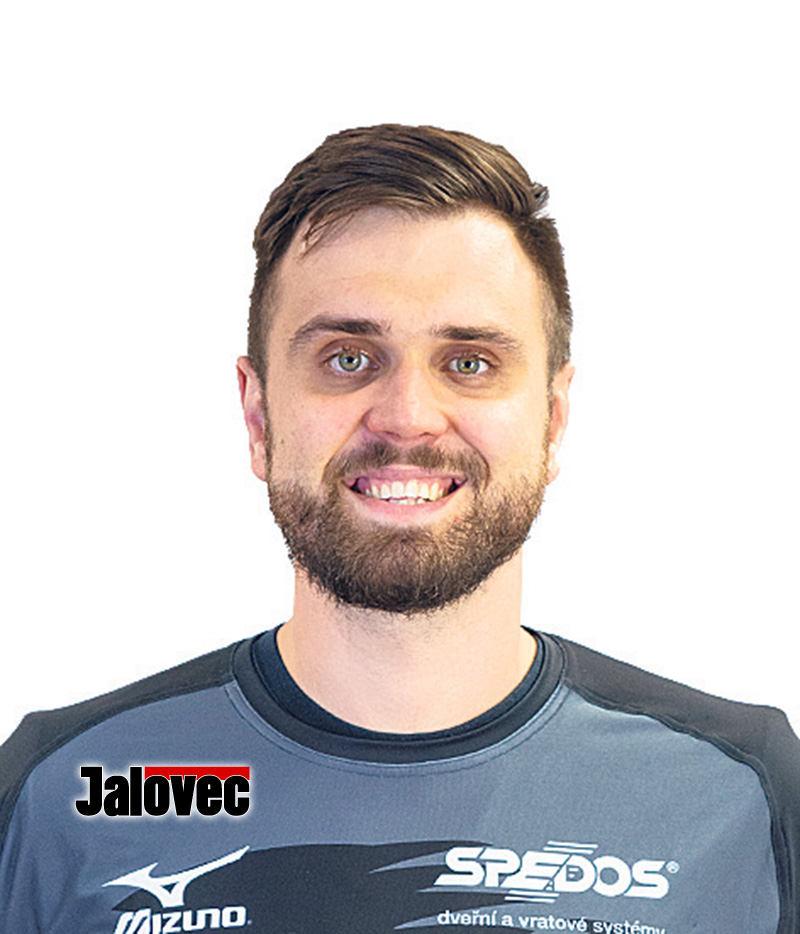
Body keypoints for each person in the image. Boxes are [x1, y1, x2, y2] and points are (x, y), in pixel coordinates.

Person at [0, 124, 797, 933]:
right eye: (348, 358)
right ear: (258, 416)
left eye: (470, 362)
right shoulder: (65, 790)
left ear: (553, 420)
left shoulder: (743, 794)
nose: (408, 417)